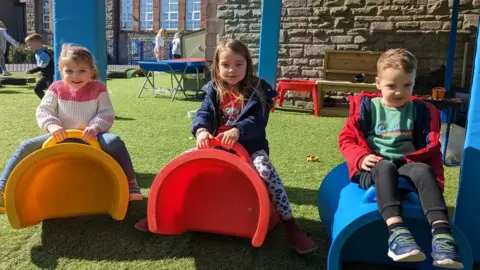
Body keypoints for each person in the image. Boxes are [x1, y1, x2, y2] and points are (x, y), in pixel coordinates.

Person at [134, 39, 318, 254]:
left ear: (247, 64)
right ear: (217, 66)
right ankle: (162, 213)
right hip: (216, 146)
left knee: (266, 171)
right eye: (226, 64)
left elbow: (258, 120)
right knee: (179, 163)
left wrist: (237, 129)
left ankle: (290, 225)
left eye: (238, 64)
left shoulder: (258, 89)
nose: (232, 70)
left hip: (249, 147)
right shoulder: (214, 88)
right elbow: (203, 113)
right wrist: (201, 130)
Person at [338, 48, 463, 268]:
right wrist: (360, 157)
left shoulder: (419, 111)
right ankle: (396, 232)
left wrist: (436, 183)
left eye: (407, 85)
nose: (399, 92)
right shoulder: (367, 108)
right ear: (378, 83)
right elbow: (346, 140)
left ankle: (442, 236)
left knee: (423, 170)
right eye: (391, 86)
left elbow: (431, 151)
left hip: (406, 165)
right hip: (373, 166)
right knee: (385, 166)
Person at [0, 44, 143, 213]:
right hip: (61, 135)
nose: (75, 76)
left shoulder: (98, 88)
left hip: (92, 135)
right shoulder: (56, 88)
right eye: (69, 71)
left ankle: (131, 182)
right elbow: (44, 110)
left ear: (91, 71)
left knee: (114, 142)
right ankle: (2, 187)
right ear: (61, 72)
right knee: (25, 146)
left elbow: (106, 113)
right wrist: (53, 126)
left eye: (82, 71)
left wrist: (95, 127)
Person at [25, 33, 55, 99]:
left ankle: (53, 104)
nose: (28, 47)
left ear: (38, 44)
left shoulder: (44, 54)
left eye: (29, 45)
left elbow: (42, 66)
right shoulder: (38, 53)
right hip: (45, 76)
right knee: (37, 89)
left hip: (51, 76)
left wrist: (31, 71)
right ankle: (46, 103)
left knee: (51, 91)